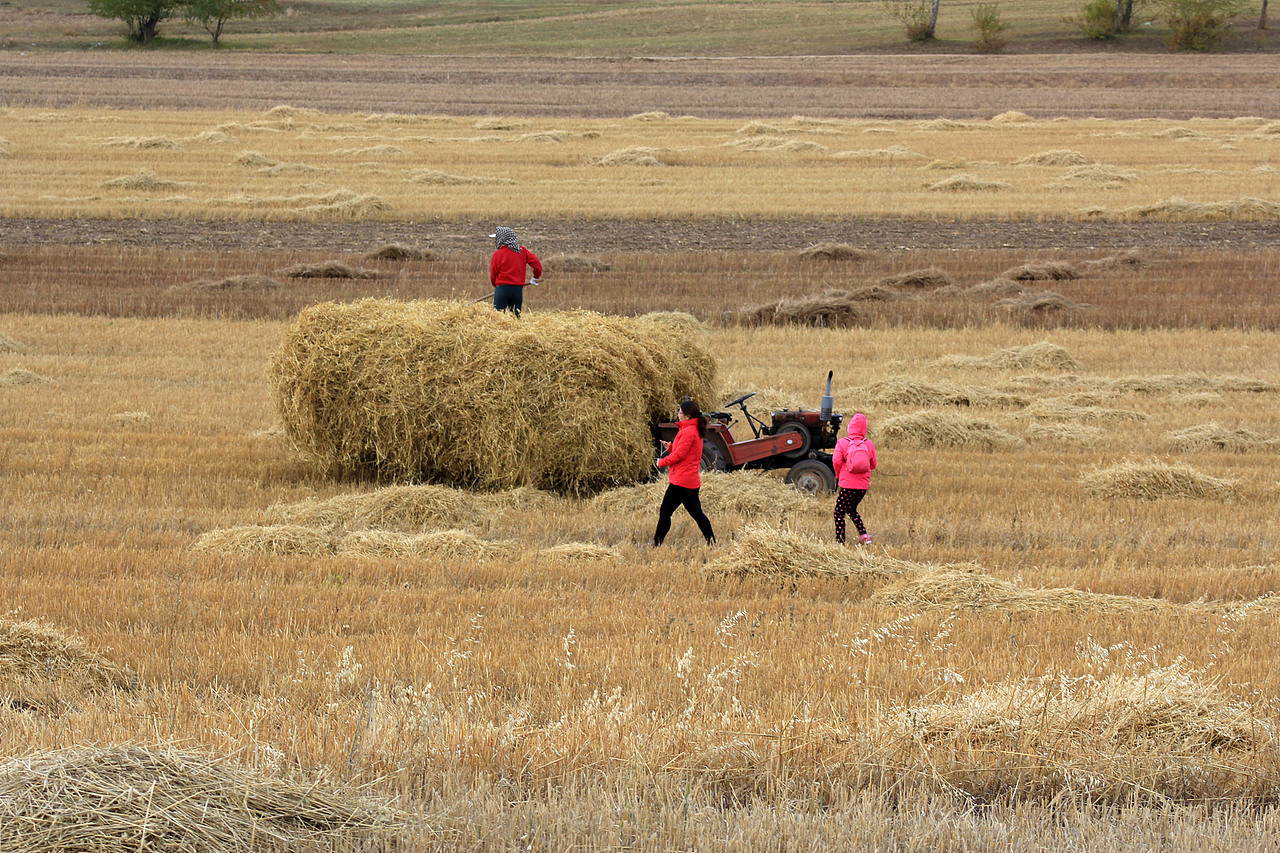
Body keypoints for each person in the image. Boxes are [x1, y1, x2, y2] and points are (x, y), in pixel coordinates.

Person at [649, 399, 717, 547]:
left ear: (686, 415)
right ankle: (712, 542)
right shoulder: (692, 430)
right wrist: (671, 447)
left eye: (679, 412)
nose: (677, 414)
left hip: (681, 482)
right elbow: (686, 453)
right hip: (688, 481)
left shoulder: (688, 432)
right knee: (697, 515)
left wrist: (661, 462)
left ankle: (655, 544)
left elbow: (679, 456)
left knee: (665, 512)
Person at [831, 412, 877, 545]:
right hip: (862, 486)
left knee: (839, 512)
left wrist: (839, 475)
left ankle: (840, 541)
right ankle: (864, 535)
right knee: (851, 509)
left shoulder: (843, 443)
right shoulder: (869, 444)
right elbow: (873, 464)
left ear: (850, 427)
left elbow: (836, 461)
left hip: (847, 485)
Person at [489, 226, 542, 317]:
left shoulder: (498, 254)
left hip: (502, 288)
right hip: (517, 290)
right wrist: (535, 277)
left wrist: (497, 286)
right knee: (515, 317)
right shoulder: (522, 251)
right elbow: (537, 265)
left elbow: (493, 274)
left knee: (497, 317)